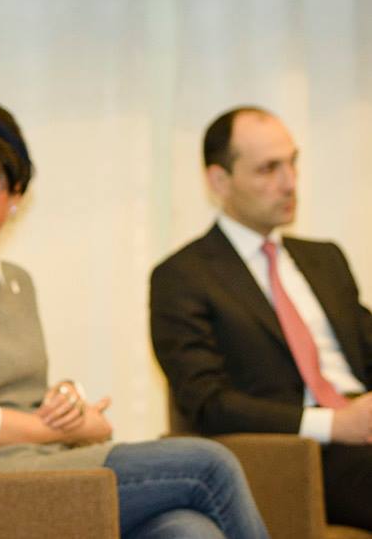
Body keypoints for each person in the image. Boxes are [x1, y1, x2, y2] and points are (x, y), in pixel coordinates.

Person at [0, 99, 267, 539]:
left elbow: (15, 397)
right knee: (210, 464)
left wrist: (63, 405)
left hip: (37, 464)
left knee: (188, 531)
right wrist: (69, 428)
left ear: (15, 193)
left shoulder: (17, 283)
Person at [151, 106, 372, 530]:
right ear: (219, 181)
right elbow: (207, 403)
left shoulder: (325, 259)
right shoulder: (182, 277)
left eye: (292, 163)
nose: (290, 183)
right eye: (269, 169)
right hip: (300, 453)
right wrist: (335, 424)